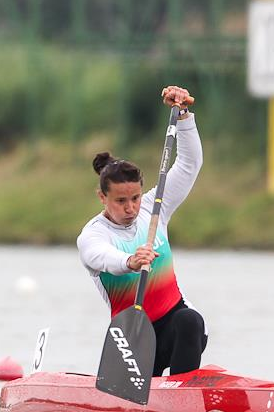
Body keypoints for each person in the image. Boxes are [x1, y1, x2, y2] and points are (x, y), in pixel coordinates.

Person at [77, 85, 206, 377]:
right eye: (120, 201)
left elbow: (189, 164)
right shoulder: (93, 236)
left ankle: (180, 391)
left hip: (176, 329)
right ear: (102, 197)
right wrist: (130, 261)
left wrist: (183, 115)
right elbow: (102, 257)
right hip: (134, 337)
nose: (131, 208)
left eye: (135, 198)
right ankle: (158, 389)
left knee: (190, 320)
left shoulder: (154, 208)